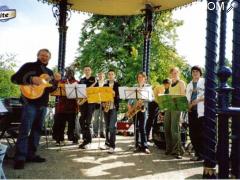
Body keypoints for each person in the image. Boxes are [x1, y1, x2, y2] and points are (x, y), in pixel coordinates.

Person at [11, 49, 61, 169]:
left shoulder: (49, 72)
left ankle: (31, 154)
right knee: (24, 130)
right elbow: (14, 78)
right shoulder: (29, 66)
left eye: (47, 56)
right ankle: (20, 158)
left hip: (42, 104)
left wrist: (56, 82)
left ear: (49, 58)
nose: (44, 57)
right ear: (38, 56)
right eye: (42, 55)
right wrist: (31, 79)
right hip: (29, 103)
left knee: (37, 131)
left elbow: (51, 90)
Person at [52, 68, 79, 145]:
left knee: (72, 124)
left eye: (71, 72)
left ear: (73, 74)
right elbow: (53, 87)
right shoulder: (61, 82)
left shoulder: (76, 82)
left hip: (72, 106)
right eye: (67, 72)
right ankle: (59, 139)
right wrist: (56, 81)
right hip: (61, 106)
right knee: (60, 123)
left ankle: (73, 138)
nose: (69, 74)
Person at [164, 67, 186, 159]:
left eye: (176, 72)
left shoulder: (181, 83)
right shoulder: (170, 83)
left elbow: (183, 96)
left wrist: (175, 99)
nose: (174, 74)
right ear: (170, 74)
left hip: (177, 107)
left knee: (174, 129)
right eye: (173, 73)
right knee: (167, 128)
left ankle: (178, 151)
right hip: (169, 107)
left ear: (178, 73)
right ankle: (169, 149)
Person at [128, 72, 150, 154]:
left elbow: (151, 99)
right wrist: (130, 106)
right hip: (135, 109)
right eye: (139, 77)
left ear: (145, 78)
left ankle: (145, 146)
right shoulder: (134, 87)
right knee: (136, 128)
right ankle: (137, 145)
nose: (140, 79)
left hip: (143, 109)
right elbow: (130, 98)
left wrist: (143, 100)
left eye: (142, 77)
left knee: (142, 128)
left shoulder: (148, 87)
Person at [186, 65, 204, 161]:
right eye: (193, 71)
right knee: (192, 134)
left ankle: (202, 154)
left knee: (201, 133)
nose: (195, 73)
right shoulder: (189, 85)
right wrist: (188, 105)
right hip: (191, 111)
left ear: (200, 73)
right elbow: (187, 98)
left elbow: (212, 94)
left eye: (197, 71)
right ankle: (197, 153)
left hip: (200, 111)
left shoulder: (204, 82)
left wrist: (198, 100)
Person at [101, 70, 120, 153]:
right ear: (107, 75)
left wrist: (115, 94)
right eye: (109, 74)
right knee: (107, 127)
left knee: (112, 127)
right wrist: (102, 103)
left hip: (113, 107)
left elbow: (120, 97)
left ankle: (112, 146)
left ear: (114, 75)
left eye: (112, 74)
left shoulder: (117, 85)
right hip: (106, 107)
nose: (110, 75)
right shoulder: (105, 85)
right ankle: (107, 143)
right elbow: (101, 96)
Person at [78, 66, 96, 149]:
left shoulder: (94, 80)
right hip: (83, 103)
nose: (87, 71)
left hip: (90, 103)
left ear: (91, 71)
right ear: (83, 71)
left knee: (88, 122)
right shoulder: (81, 80)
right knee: (81, 120)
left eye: (89, 69)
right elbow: (78, 91)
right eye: (85, 70)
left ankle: (88, 141)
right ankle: (85, 139)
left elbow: (96, 91)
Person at [92, 72, 105, 138]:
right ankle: (95, 133)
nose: (100, 76)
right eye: (99, 75)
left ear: (104, 76)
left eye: (102, 75)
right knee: (95, 119)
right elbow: (92, 93)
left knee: (102, 120)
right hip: (96, 103)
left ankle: (102, 132)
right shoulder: (95, 84)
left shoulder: (106, 84)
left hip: (103, 104)